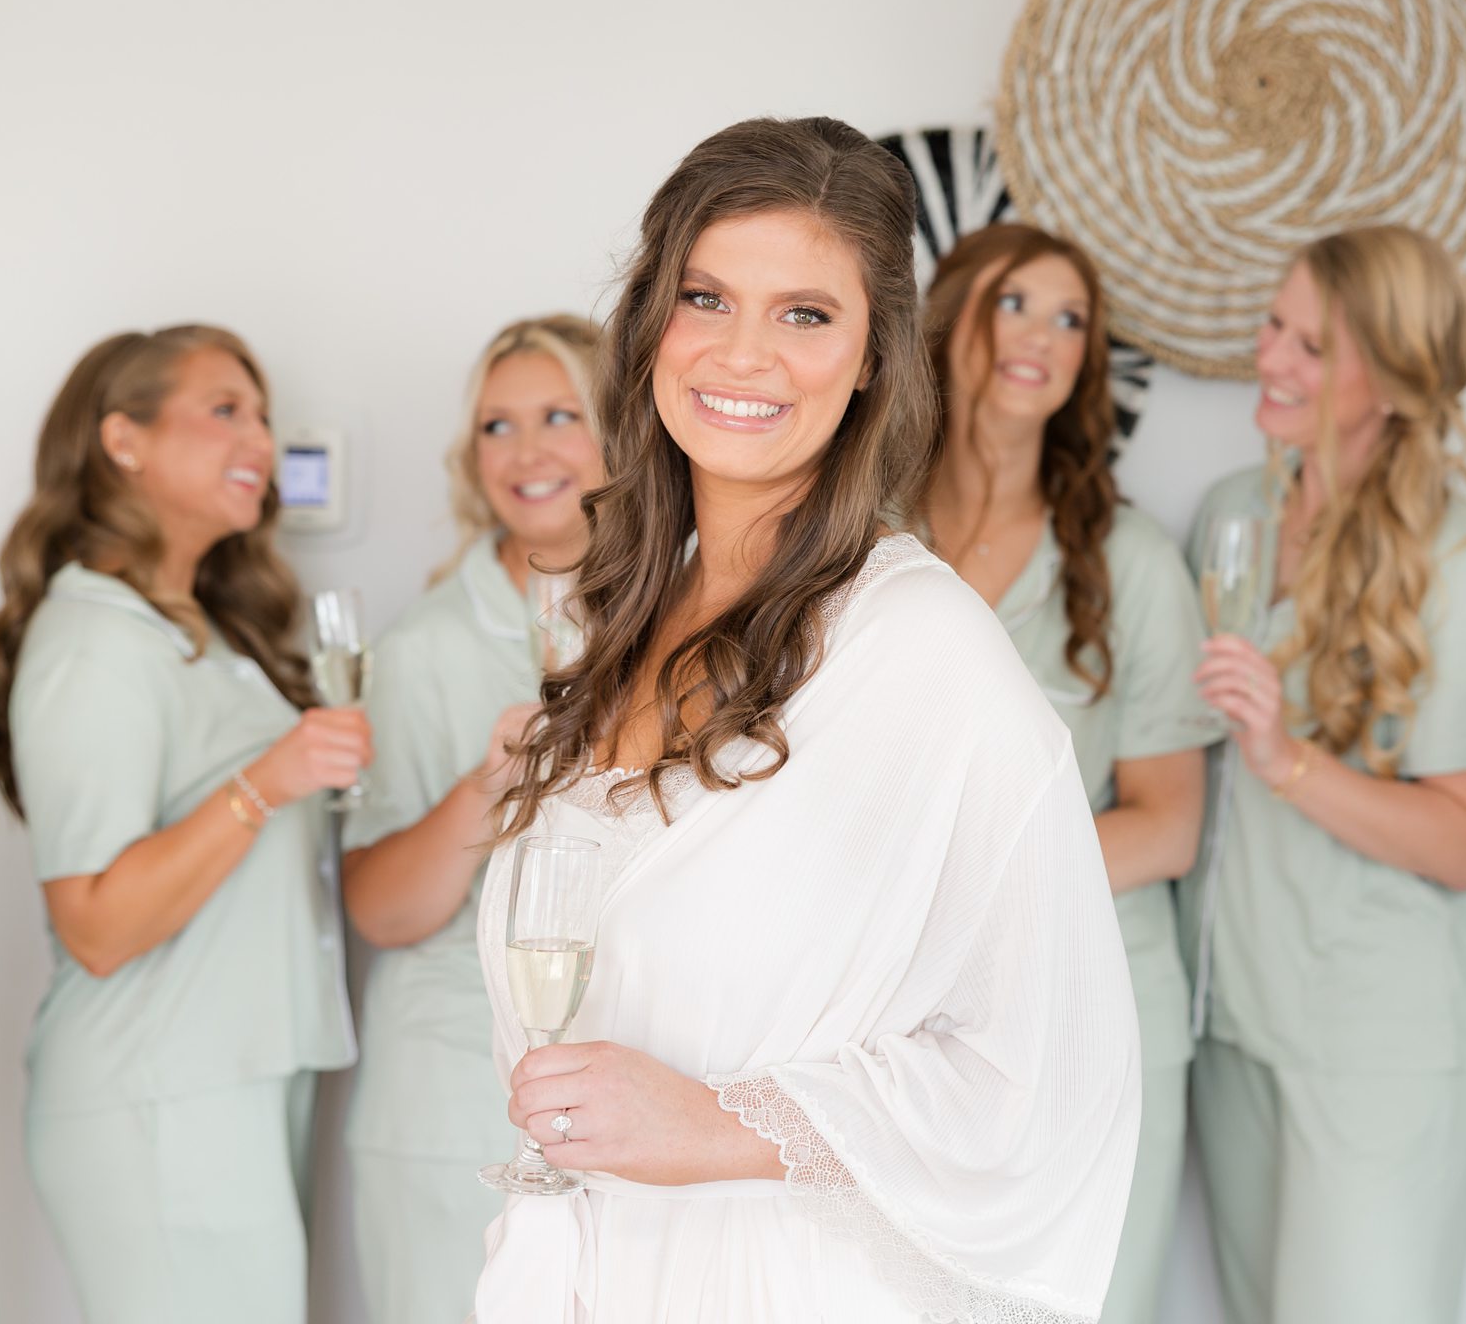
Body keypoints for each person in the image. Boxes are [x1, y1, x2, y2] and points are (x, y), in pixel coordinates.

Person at [470, 116, 1140, 1323]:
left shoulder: (920, 651)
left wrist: (720, 1123)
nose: (742, 355)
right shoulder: (617, 614)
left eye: (805, 314)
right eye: (705, 296)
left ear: (877, 354)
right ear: (650, 324)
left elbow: (1050, 1075)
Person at [0, 325, 368, 1323]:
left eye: (266, 416)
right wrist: (267, 781)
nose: (261, 441)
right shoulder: (93, 640)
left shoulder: (206, 629)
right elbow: (96, 924)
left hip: (232, 1076)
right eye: (225, 409)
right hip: (159, 1092)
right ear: (124, 440)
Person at [1182, 224, 1466, 1324]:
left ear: (1391, 376)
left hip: (1377, 1044)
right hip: (1232, 1019)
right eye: (1273, 326)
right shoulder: (1235, 514)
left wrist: (1285, 759)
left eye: (1311, 345)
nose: (1271, 359)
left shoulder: (1461, 564)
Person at [918, 222, 1219, 1324]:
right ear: (950, 317)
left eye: (1071, 319)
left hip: (1093, 1008)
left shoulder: (1127, 562)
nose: (1042, 335)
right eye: (1014, 303)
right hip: (908, 1017)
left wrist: (964, 890)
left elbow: (1168, 824)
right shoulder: (863, 543)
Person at [340, 314, 605, 1322]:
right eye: (498, 426)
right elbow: (379, 910)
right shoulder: (423, 648)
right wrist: (486, 784)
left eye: (557, 416)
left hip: (626, 1100)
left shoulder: (689, 620)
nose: (526, 451)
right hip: (452, 1105)